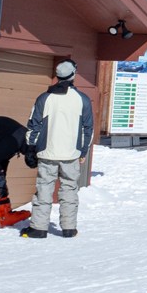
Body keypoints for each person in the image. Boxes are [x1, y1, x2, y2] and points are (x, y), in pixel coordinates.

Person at [22, 60, 95, 238]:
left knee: (44, 189)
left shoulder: (44, 98)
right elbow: (88, 129)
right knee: (69, 189)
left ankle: (38, 228)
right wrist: (83, 152)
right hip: (71, 153)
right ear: (73, 75)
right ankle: (69, 228)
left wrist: (31, 148)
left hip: (47, 152)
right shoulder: (82, 99)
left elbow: (34, 126)